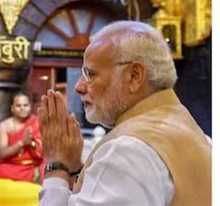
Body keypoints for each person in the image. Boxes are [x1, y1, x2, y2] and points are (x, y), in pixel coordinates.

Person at [38, 21, 211, 206]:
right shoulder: (199, 137)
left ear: (134, 76)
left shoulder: (126, 149)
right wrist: (75, 171)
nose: (79, 86)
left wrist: (56, 166)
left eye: (90, 74)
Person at [0, 92, 44, 183]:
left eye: (25, 105)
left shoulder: (37, 123)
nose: (22, 108)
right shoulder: (4, 126)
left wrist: (31, 144)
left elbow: (45, 151)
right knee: (1, 170)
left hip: (33, 166)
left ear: (30, 107)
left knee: (45, 168)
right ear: (12, 108)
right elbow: (2, 153)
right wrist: (21, 143)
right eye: (18, 106)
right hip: (13, 166)